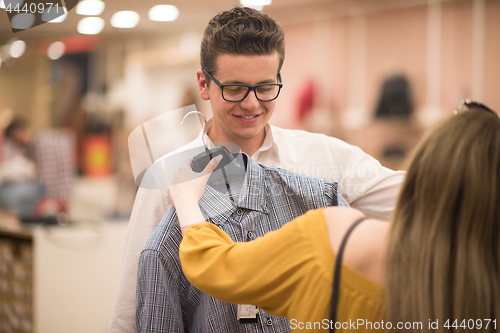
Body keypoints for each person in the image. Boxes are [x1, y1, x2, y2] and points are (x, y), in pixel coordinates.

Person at [109, 6, 404, 333]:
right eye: (234, 88)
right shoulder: (168, 179)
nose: (251, 104)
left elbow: (418, 198)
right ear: (204, 85)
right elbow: (134, 308)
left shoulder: (324, 158)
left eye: (265, 87)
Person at [175, 101, 500, 332]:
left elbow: (219, 266)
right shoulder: (484, 293)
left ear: (423, 168)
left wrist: (187, 200)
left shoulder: (334, 238)